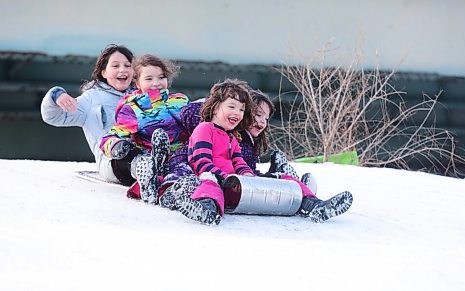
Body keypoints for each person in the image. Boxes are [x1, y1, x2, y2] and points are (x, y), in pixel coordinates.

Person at [174, 79, 353, 225]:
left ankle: (314, 205)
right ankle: (206, 209)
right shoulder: (205, 129)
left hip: (239, 186)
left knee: (284, 179)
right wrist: (223, 177)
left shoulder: (232, 138)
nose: (237, 112)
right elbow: (201, 163)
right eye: (232, 107)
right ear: (214, 107)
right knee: (209, 182)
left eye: (241, 109)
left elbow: (239, 162)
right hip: (218, 182)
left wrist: (248, 176)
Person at [99, 54, 190, 202]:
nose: (156, 83)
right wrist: (116, 145)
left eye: (161, 77)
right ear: (137, 83)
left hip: (179, 156)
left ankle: (172, 190)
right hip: (149, 156)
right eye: (149, 79)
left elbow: (193, 123)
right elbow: (111, 136)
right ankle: (149, 180)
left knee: (186, 167)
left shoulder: (179, 101)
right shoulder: (134, 108)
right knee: (145, 160)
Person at [41, 44, 135, 184]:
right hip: (112, 163)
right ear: (104, 72)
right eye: (115, 66)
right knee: (125, 155)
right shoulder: (91, 99)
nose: (122, 69)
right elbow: (53, 116)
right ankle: (141, 169)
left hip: (144, 153)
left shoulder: (141, 97)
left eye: (127, 65)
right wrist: (56, 95)